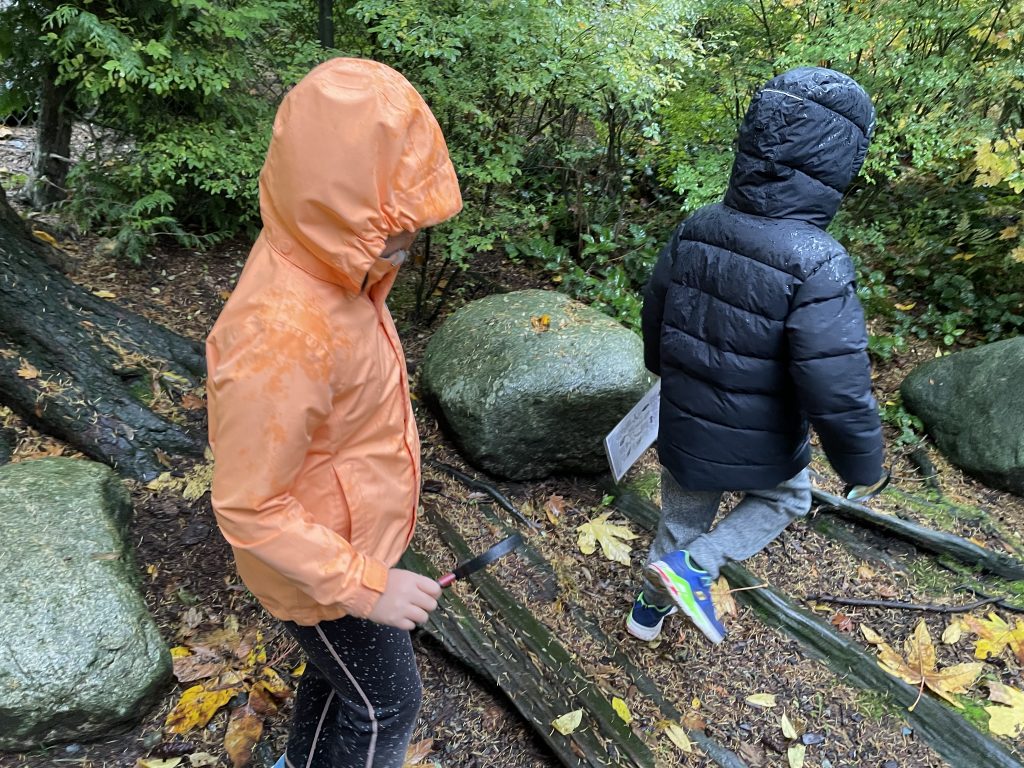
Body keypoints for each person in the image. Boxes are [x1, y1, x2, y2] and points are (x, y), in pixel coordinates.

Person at [205, 58, 462, 768]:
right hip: (318, 572)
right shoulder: (281, 331)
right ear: (341, 208)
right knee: (387, 703)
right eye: (397, 226)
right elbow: (249, 505)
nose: (409, 242)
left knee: (341, 681)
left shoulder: (339, 267)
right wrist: (368, 587)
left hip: (347, 542)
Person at [626, 67, 888, 645]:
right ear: (839, 161)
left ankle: (648, 611)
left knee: (680, 519)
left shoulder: (699, 225)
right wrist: (863, 467)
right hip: (761, 434)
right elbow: (836, 382)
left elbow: (656, 311)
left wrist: (666, 371)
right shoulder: (818, 260)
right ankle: (696, 567)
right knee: (788, 496)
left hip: (686, 415)